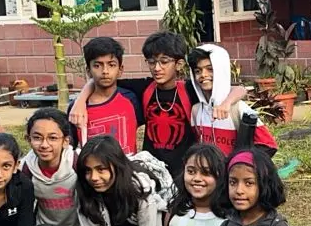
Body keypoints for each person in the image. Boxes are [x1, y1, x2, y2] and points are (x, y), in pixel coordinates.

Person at [69, 31, 248, 176]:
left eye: (164, 62)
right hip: (151, 168)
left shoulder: (190, 89)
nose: (157, 68)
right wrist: (80, 100)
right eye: (152, 62)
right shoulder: (144, 88)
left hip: (184, 168)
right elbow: (104, 81)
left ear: (179, 64)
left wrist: (226, 103)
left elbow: (240, 89)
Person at [75, 135, 170, 226]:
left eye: (101, 169)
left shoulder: (140, 190)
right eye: (88, 170)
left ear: (117, 166)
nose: (93, 177)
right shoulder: (85, 192)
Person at [21, 108, 91, 226]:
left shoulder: (78, 163)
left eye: (52, 138)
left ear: (66, 141)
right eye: (37, 137)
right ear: (28, 139)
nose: (44, 144)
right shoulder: (26, 169)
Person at [187, 43, 274, 156]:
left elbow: (268, 145)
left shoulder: (238, 108)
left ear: (221, 71)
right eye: (197, 71)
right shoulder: (196, 111)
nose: (203, 75)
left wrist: (240, 163)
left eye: (210, 69)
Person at [72, 36, 142, 152]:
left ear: (120, 70)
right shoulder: (77, 110)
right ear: (88, 71)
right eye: (97, 65)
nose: (105, 71)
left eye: (111, 65)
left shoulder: (131, 99)